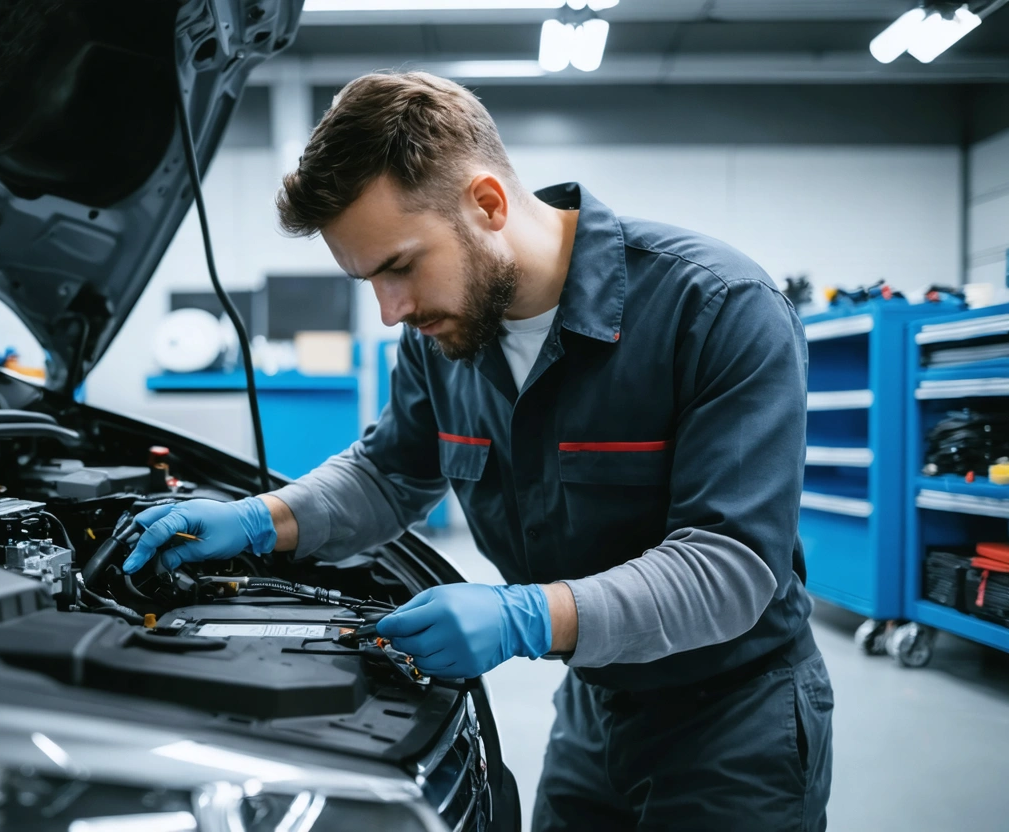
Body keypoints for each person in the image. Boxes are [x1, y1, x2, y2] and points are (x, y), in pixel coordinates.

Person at [124, 71, 833, 831]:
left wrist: (523, 617)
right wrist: (261, 519)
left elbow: (730, 569)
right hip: (594, 702)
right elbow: (389, 473)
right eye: (368, 280)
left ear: (487, 204)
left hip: (735, 718)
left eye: (398, 266)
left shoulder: (716, 309)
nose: (391, 310)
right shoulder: (444, 334)